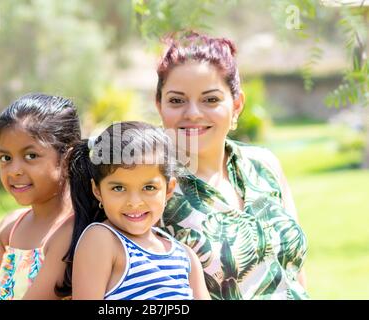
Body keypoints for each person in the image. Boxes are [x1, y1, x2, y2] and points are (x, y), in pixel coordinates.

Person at [154, 31, 309, 300]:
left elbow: (294, 272)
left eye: (210, 99)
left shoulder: (264, 164)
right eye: (177, 100)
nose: (193, 113)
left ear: (236, 105)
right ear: (159, 106)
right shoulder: (148, 186)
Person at [58, 121, 210, 300]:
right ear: (97, 191)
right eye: (119, 188)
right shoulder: (102, 240)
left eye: (149, 188)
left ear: (169, 189)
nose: (134, 202)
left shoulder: (186, 257)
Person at [0, 93, 80, 300]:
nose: (14, 170)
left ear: (67, 159)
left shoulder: (72, 230)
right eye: (5, 158)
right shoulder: (9, 229)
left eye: (30, 156)